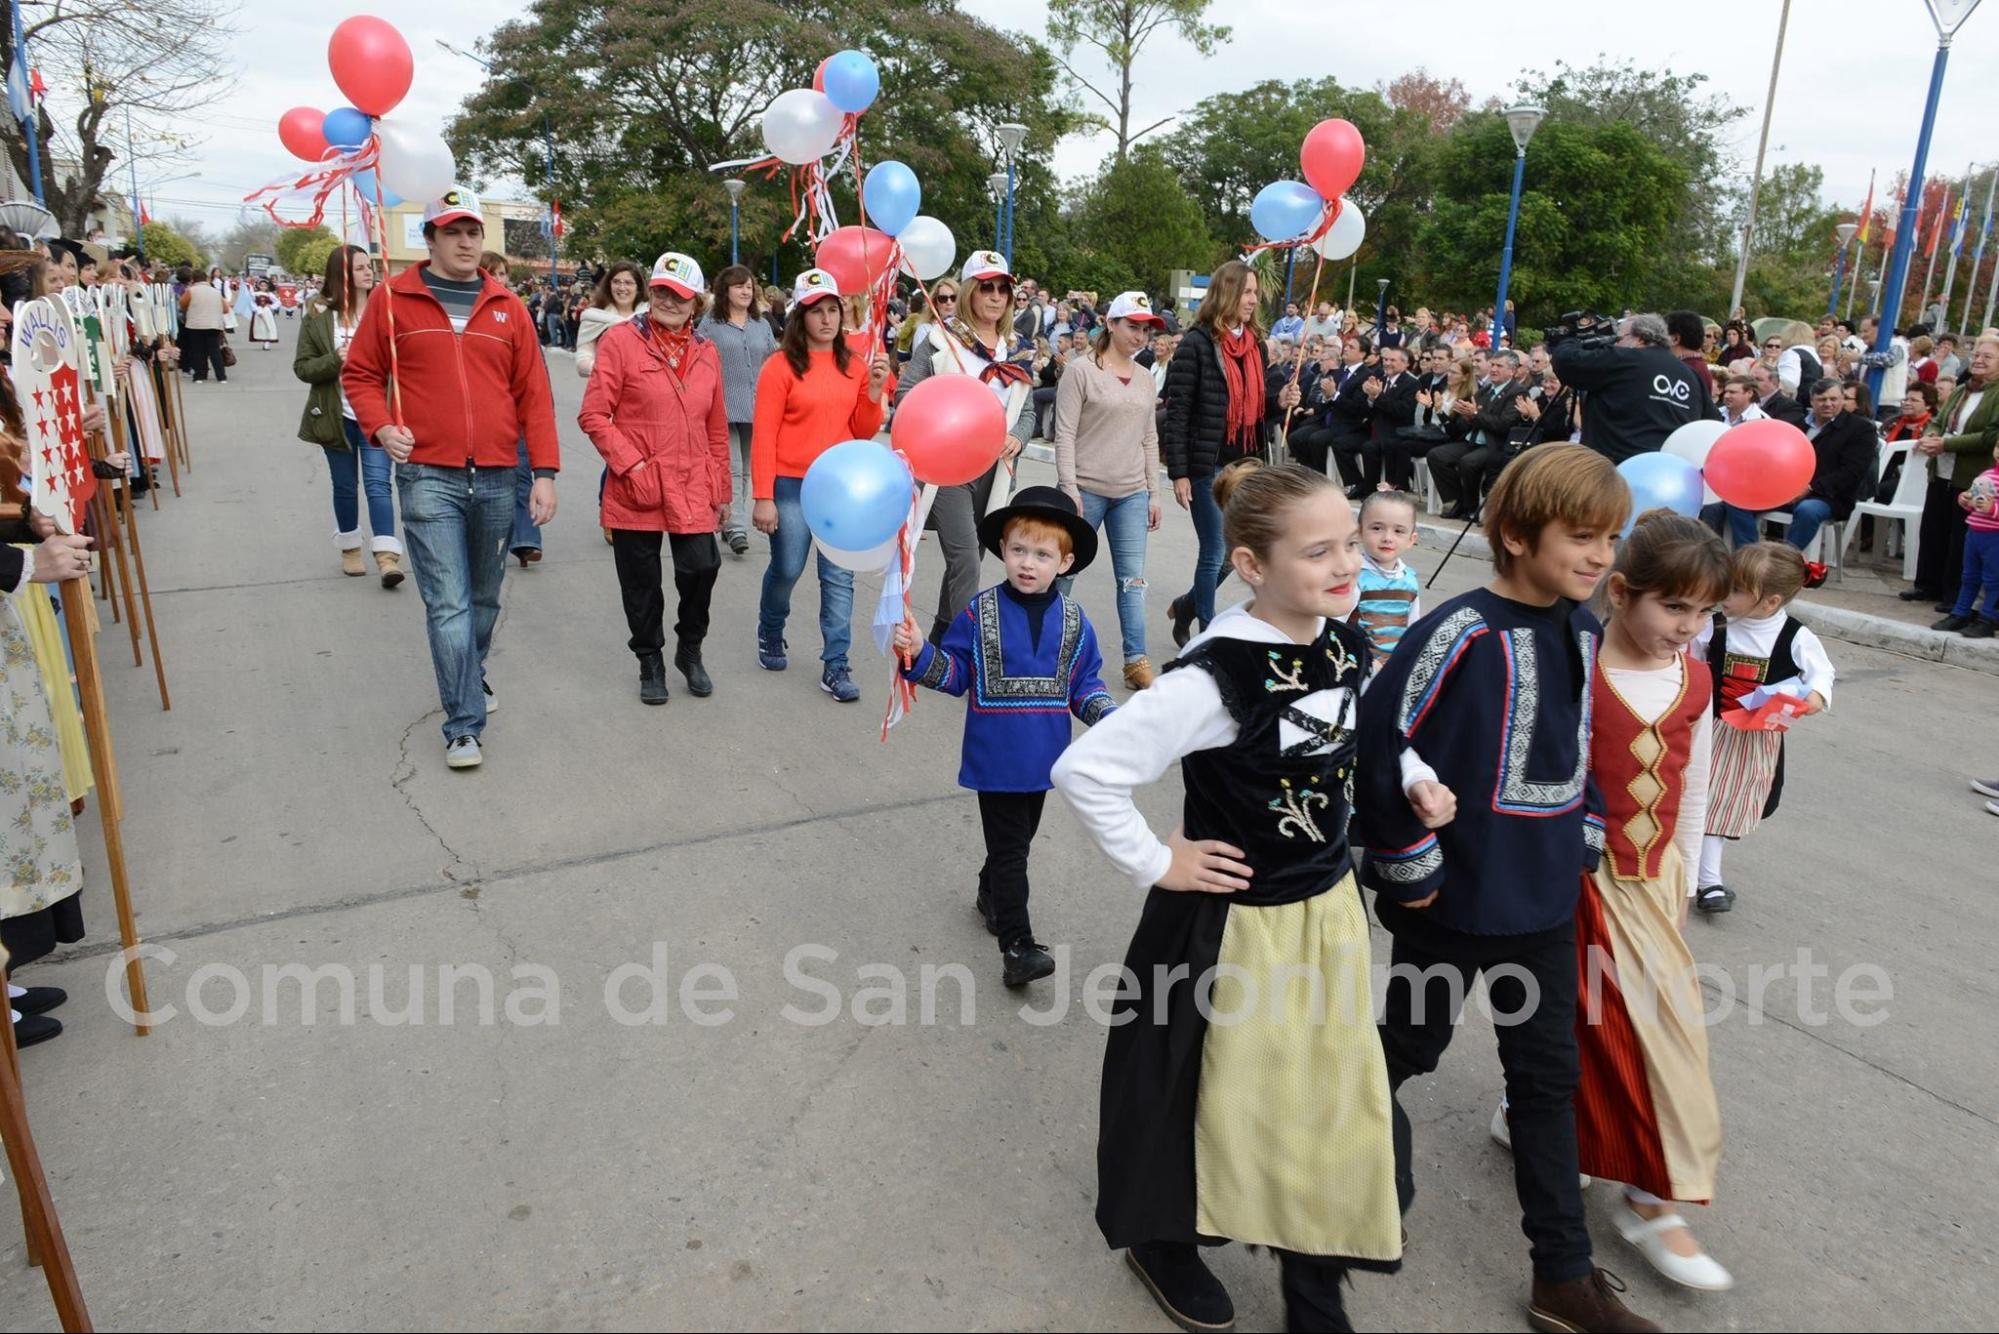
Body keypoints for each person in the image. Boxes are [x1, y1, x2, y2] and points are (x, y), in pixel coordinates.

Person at [1052, 460, 1401, 1334]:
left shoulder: (1341, 636)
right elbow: (1086, 768)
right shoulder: (1211, 679)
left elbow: (1359, 739)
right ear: (1250, 565)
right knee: (1197, 1091)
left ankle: (1312, 1284)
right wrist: (1154, 858)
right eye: (1317, 551)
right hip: (1226, 928)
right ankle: (1163, 1240)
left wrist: (1420, 780)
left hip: (1324, 912)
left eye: (1349, 544)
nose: (1345, 565)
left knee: (1324, 1092)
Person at [1356, 446, 1658, 1334]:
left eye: (1611, 538)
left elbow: (1579, 748)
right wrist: (1409, 866)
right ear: (1517, 535)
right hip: (1452, 903)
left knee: (1545, 1082)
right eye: (1581, 536)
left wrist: (1584, 841)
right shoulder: (1457, 630)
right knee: (1404, 1050)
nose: (1601, 556)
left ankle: (1561, 1278)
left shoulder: (1582, 628)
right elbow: (1376, 740)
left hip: (1541, 905)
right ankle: (1303, 1151)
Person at [1572, 510, 1734, 1292]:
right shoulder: (1575, 666)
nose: (1688, 627)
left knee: (1664, 1032)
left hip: (1651, 878)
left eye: (1702, 613)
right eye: (1673, 607)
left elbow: (1692, 783)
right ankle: (1552, 1122)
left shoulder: (1694, 678)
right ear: (1619, 592)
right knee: (1579, 1017)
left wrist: (1681, 878)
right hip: (1575, 880)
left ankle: (1651, 1195)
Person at [344, 188, 560, 772]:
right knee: (448, 604)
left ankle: (470, 672)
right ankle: (463, 723)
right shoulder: (392, 301)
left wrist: (543, 472)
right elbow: (360, 375)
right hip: (426, 475)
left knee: (485, 598)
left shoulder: (507, 306)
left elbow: (534, 396)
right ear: (431, 239)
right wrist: (382, 427)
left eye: (472, 232)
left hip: (495, 474)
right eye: (453, 232)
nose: (466, 242)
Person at [893, 487, 1114, 986]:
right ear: (1002, 551)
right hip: (996, 759)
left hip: (1046, 759)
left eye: (1042, 554)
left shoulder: (1076, 621)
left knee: (1017, 844)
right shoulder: (978, 611)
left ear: (1066, 561)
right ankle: (1017, 945)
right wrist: (916, 652)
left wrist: (1112, 717)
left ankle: (990, 894)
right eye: (1018, 550)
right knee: (1013, 848)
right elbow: (955, 675)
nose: (1028, 563)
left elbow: (1085, 685)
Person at [579, 252, 730, 704]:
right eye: (662, 291)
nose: (668, 301)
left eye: (680, 296)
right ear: (652, 292)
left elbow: (716, 427)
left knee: (703, 567)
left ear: (695, 304)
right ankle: (650, 659)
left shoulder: (707, 351)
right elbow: (594, 414)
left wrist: (722, 490)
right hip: (637, 485)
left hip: (693, 481)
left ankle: (690, 647)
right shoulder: (622, 341)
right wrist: (631, 464)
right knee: (641, 583)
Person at [750, 268, 894, 702]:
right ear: (801, 317)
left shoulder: (854, 364)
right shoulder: (779, 367)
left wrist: (871, 392)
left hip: (840, 489)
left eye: (834, 309)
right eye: (817, 312)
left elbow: (863, 430)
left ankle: (836, 664)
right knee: (789, 566)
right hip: (791, 483)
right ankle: (770, 628)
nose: (827, 319)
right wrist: (763, 497)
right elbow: (765, 435)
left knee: (838, 577)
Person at [895, 250, 1031, 645]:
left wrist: (1018, 437)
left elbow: (1026, 410)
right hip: (948, 468)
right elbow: (906, 394)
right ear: (971, 290)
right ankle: (963, 649)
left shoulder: (1017, 347)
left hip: (996, 470)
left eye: (1003, 288)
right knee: (966, 559)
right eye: (986, 287)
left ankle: (940, 636)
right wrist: (944, 412)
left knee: (972, 558)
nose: (995, 296)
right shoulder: (942, 338)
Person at [1162, 260, 1298, 647]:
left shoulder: (1253, 343)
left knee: (1235, 551)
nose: (1254, 300)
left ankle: (1186, 606)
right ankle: (1209, 634)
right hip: (1207, 463)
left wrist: (1280, 400)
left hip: (1246, 463)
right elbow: (1178, 411)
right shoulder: (1197, 342)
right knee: (1215, 550)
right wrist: (1180, 472)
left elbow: (1255, 408)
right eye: (1247, 292)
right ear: (1227, 293)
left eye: (1256, 292)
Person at [1693, 543, 1833, 914]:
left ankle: (1704, 878)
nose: (1725, 594)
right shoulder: (1713, 625)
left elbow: (1822, 674)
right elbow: (1688, 661)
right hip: (1706, 728)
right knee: (1696, 800)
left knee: (1724, 806)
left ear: (1770, 602)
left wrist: (1815, 697)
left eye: (1737, 589)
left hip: (1753, 739)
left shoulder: (1795, 637)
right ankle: (1701, 878)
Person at [1052, 291, 1164, 691]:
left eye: (1146, 329)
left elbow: (1149, 438)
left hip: (1131, 492)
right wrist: (1069, 488)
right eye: (1132, 326)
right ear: (1111, 324)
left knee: (1132, 580)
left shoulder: (1147, 378)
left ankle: (1136, 661)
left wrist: (1154, 492)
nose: (1140, 335)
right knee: (1063, 573)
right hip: (1086, 488)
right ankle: (1047, 654)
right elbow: (1063, 432)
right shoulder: (1081, 371)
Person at [295, 243, 403, 589]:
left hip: (376, 416)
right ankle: (350, 548)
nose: (367, 272)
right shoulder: (318, 313)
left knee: (378, 485)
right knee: (344, 486)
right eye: (358, 268)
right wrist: (335, 360)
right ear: (340, 274)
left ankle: (387, 557)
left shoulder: (385, 308)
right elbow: (303, 367)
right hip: (335, 415)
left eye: (368, 266)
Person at [1710, 378, 1876, 552]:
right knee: (1738, 500)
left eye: (1833, 399)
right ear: (1812, 401)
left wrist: (1810, 488)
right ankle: (1750, 555)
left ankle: (1786, 560)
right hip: (1785, 489)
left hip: (1828, 495)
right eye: (1822, 399)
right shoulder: (1799, 424)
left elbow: (1852, 472)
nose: (1828, 404)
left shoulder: (1860, 429)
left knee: (1808, 511)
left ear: (1842, 399)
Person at [1899, 335, 1999, 610]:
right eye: (1977, 355)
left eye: (1987, 357)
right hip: (1941, 470)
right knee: (1933, 529)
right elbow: (1938, 420)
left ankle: (1952, 594)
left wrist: (1946, 443)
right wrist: (1931, 436)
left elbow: (1990, 436)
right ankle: (1927, 584)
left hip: (1970, 476)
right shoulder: (1962, 389)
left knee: (1959, 537)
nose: (1978, 360)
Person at [1552, 313, 1710, 462]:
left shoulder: (1626, 358)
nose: (1614, 343)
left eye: (1618, 338)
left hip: (1615, 470)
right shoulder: (1691, 376)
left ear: (1640, 339)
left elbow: (1567, 363)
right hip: (1668, 473)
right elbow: (1711, 421)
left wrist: (1571, 339)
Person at [698, 264, 778, 557]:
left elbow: (772, 359)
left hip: (756, 406)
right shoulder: (710, 324)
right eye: (738, 286)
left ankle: (730, 518)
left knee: (746, 469)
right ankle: (736, 527)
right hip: (722, 406)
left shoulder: (762, 324)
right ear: (725, 291)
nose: (745, 291)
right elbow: (697, 357)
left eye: (749, 287)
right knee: (731, 467)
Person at [1934, 443, 1999, 637]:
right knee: (1969, 576)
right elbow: (1974, 498)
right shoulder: (1986, 474)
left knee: (1993, 580)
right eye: (1997, 446)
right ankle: (1960, 613)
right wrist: (1966, 499)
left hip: (1994, 536)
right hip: (1975, 532)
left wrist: (1993, 509)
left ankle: (1988, 618)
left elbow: (1990, 507)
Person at [1350, 489, 1421, 664]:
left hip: (1393, 667)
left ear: (1411, 539)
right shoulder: (1353, 576)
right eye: (1377, 528)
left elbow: (1413, 628)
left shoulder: (1409, 580)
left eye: (1398, 531)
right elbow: (1335, 627)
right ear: (1359, 532)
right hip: (1358, 665)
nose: (1387, 538)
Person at [178, 267, 228, 382]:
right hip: (214, 324)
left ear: (193, 280)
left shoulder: (191, 291)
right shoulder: (216, 292)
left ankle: (200, 375)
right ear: (206, 279)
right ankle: (221, 376)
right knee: (214, 350)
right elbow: (226, 309)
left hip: (196, 324)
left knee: (198, 350)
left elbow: (182, 304)